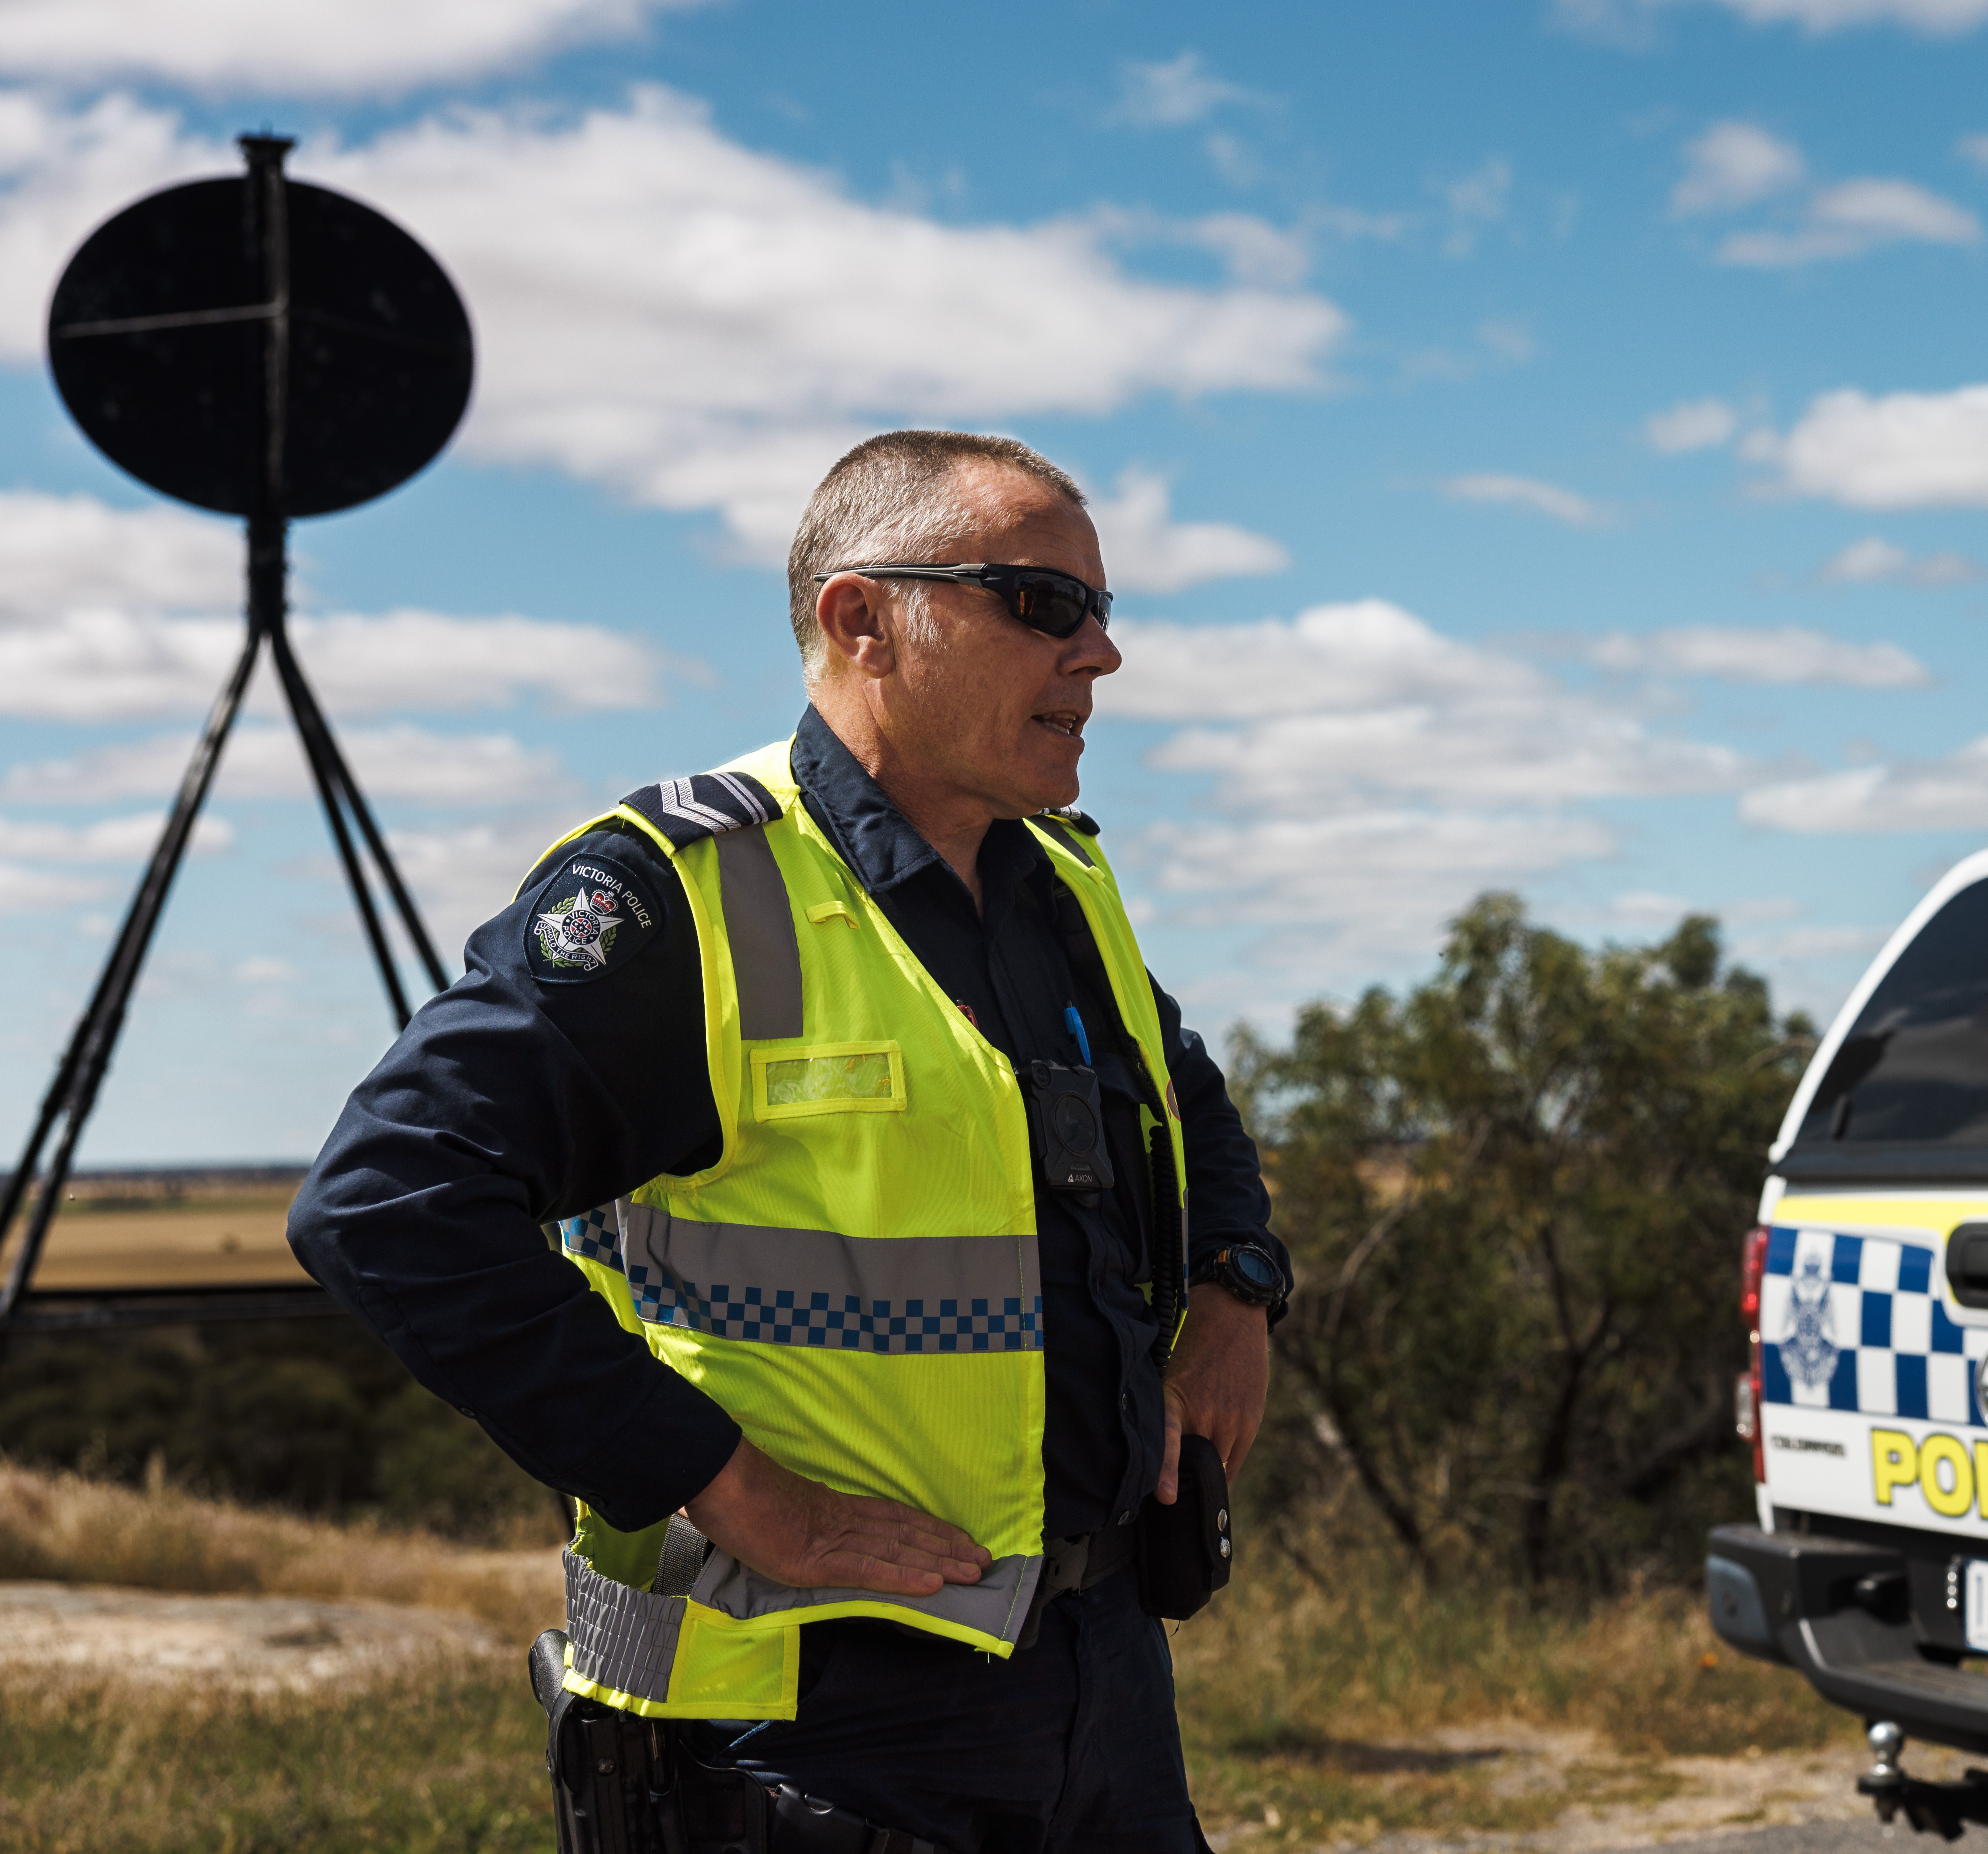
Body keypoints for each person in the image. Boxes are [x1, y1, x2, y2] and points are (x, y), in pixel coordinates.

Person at [290, 429, 1291, 1853]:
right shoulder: (679, 894)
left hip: (1103, 1677)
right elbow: (385, 1205)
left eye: (1105, 612)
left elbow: (1183, 1095)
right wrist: (741, 1491)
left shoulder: (1057, 876)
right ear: (861, 619)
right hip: (824, 1723)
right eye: (1044, 604)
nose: (1101, 658)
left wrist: (1238, 1286)